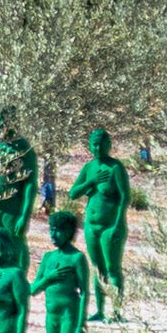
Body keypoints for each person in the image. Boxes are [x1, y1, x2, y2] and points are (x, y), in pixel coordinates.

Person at [65, 130, 131, 320]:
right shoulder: (89, 168)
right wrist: (91, 182)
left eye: (101, 144)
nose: (97, 148)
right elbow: (73, 193)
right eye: (93, 144)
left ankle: (117, 311)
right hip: (91, 226)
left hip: (110, 226)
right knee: (98, 268)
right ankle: (100, 310)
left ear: (108, 145)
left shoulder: (115, 168)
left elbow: (125, 197)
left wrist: (118, 224)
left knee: (112, 267)